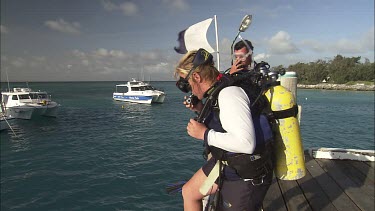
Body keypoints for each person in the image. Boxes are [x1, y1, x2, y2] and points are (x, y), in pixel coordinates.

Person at [174, 48, 273, 211]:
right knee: (189, 192)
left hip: (245, 174)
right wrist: (200, 109)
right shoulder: (218, 90)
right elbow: (224, 120)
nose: (188, 89)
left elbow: (246, 143)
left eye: (187, 82)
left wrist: (204, 134)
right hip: (227, 163)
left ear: (197, 77)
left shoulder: (229, 94)